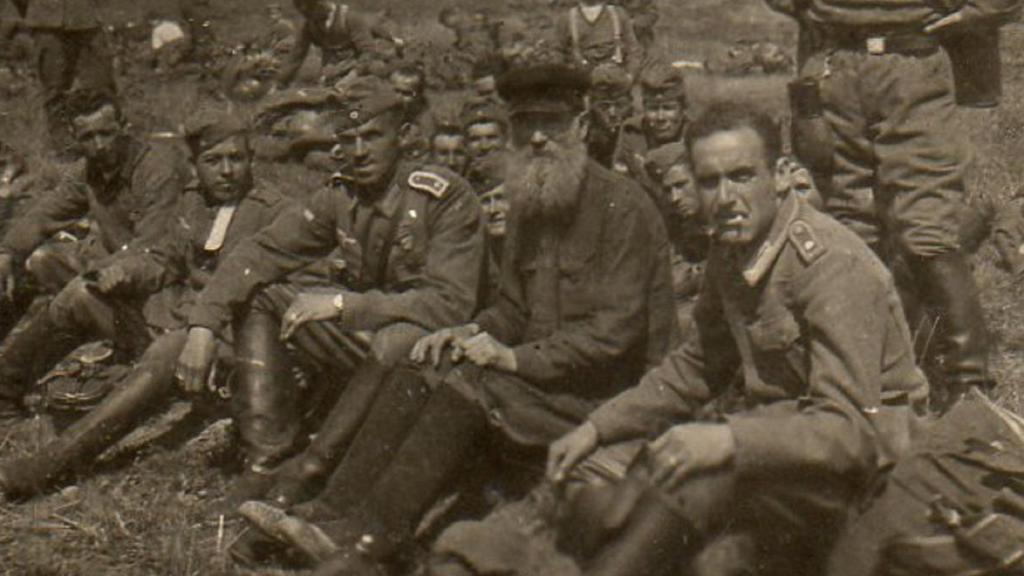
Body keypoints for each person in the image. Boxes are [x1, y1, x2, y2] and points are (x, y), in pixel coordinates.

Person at [234, 63, 677, 576]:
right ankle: (325, 513)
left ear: (581, 126)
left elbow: (614, 337)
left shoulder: (624, 208)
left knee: (473, 384)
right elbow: (513, 308)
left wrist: (509, 357)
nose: (536, 137)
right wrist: (468, 331)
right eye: (524, 123)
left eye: (552, 123)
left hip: (607, 399)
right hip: (543, 385)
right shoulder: (530, 200)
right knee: (427, 360)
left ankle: (366, 545)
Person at [534, 101, 928, 576]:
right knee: (606, 502)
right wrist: (596, 428)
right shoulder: (733, 247)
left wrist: (728, 439)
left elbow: (849, 431)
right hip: (782, 447)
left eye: (741, 176)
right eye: (708, 181)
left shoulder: (830, 265)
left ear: (780, 176)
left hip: (869, 469)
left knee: (696, 505)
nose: (724, 197)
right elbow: (698, 364)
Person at [174, 75, 484, 491]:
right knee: (262, 295)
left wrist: (342, 305)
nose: (358, 152)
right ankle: (267, 456)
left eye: (372, 137)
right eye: (349, 138)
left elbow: (449, 304)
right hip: (371, 342)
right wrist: (203, 324)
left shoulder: (444, 197)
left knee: (396, 336)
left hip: (437, 349)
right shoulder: (341, 195)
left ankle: (312, 471)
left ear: (405, 137)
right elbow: (259, 251)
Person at [0, 112, 296, 501]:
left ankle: (47, 466)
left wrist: (200, 330)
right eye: (214, 161)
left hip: (225, 354)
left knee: (166, 350)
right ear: (196, 166)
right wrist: (125, 271)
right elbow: (164, 257)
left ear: (251, 159)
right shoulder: (195, 202)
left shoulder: (276, 212)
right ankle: (6, 388)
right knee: (81, 294)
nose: (226, 171)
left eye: (236, 159)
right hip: (175, 329)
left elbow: (270, 304)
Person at [766, 0, 1020, 405]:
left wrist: (975, 11)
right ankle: (859, 374)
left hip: (912, 64)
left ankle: (970, 393)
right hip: (834, 68)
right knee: (849, 226)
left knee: (927, 227)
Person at [0, 90, 187, 418]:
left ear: (123, 127)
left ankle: (6, 388)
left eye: (107, 133)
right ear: (75, 138)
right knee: (36, 261)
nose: (99, 145)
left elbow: (155, 249)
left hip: (161, 293)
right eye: (88, 137)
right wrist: (5, 252)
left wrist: (99, 270)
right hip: (120, 278)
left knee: (79, 292)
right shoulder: (89, 170)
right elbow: (44, 214)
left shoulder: (157, 168)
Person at [22, 0, 116, 151]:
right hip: (46, 19)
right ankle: (64, 144)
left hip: (85, 17)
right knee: (53, 84)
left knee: (100, 80)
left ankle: (107, 137)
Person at [275, 0, 396, 89]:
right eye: (305, 14)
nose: (309, 17)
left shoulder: (350, 18)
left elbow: (368, 51)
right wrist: (280, 82)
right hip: (331, 73)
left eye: (311, 11)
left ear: (322, 4)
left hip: (359, 70)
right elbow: (296, 55)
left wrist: (352, 76)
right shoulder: (309, 25)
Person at [613, 61, 688, 201]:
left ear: (683, 109)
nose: (660, 117)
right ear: (644, 108)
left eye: (668, 108)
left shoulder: (694, 137)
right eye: (653, 108)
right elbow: (619, 186)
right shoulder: (631, 133)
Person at [555, 0, 641, 77]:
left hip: (615, 81)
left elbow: (633, 50)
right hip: (580, 83)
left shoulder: (618, 14)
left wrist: (629, 76)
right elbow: (557, 52)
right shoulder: (566, 18)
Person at [586, 64, 634, 169]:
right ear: (591, 106)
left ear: (631, 103)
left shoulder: (639, 132)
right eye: (604, 106)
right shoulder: (583, 136)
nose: (612, 113)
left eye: (620, 105)